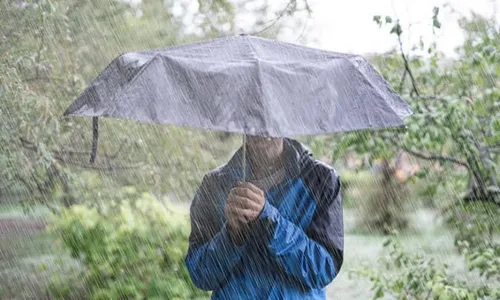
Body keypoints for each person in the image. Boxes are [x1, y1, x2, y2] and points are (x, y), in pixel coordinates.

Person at [185, 136, 344, 299]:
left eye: (269, 119)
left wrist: (270, 223)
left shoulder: (320, 180)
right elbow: (200, 274)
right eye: (254, 115)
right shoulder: (214, 184)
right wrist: (232, 237)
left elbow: (323, 269)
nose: (261, 128)